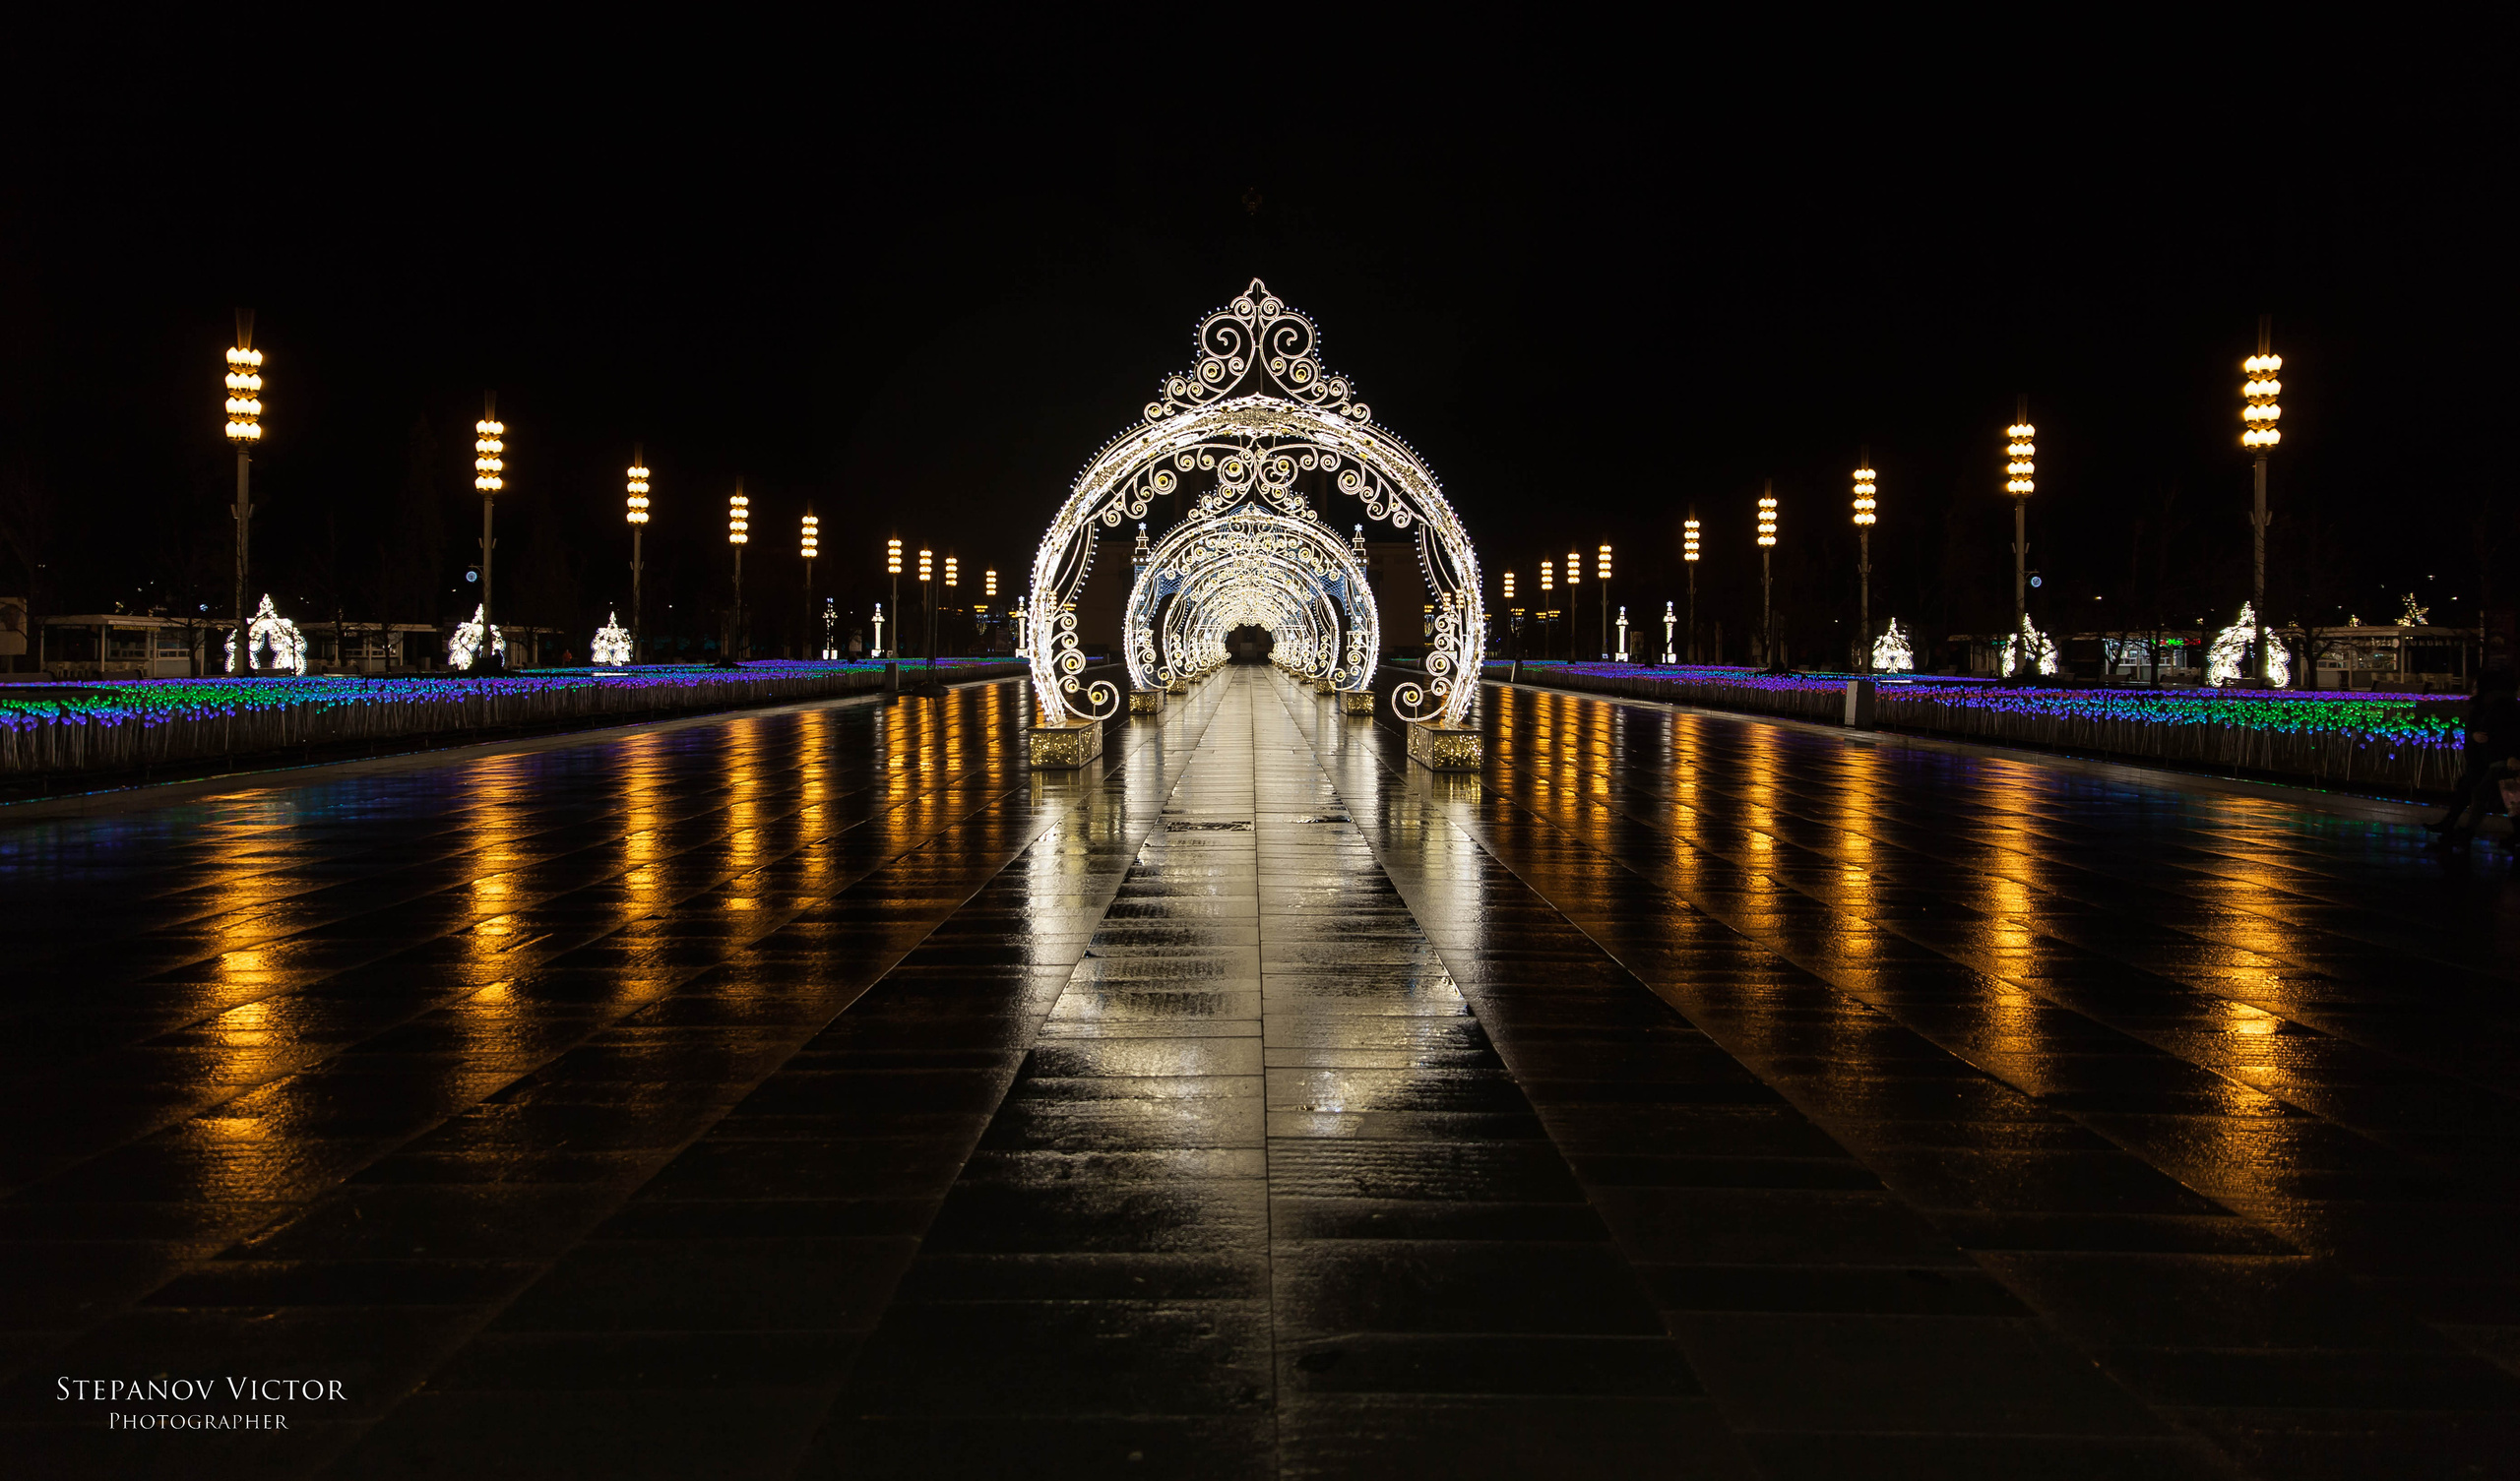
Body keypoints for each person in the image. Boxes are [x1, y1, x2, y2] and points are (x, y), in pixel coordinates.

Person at [2430, 670, 2519, 845]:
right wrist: (2474, 736)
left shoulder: (2503, 706)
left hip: (2501, 760)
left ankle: (2466, 831)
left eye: (2476, 686)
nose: (2473, 689)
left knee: (2488, 794)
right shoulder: (2487, 705)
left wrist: (2513, 755)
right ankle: (2458, 828)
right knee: (2508, 797)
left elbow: (2511, 733)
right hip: (2489, 759)